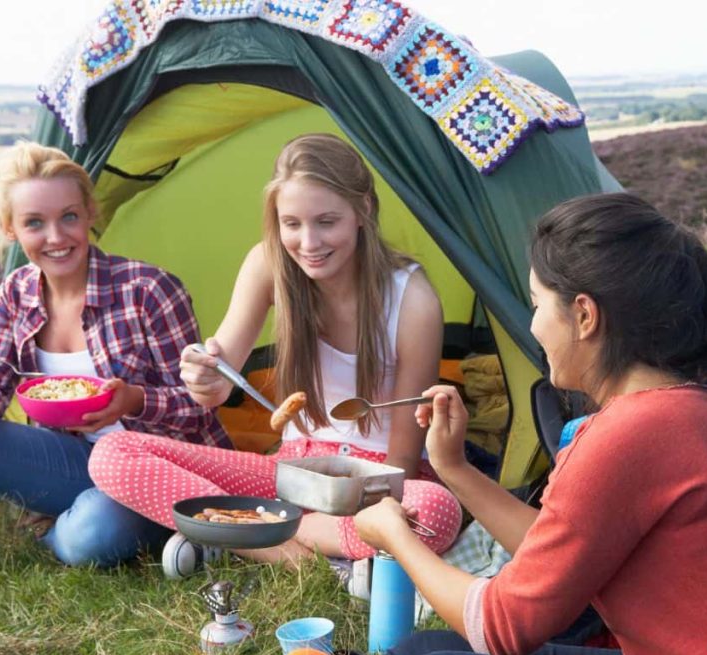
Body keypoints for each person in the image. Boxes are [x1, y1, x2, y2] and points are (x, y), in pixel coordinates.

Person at [0, 193, 707, 655]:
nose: (536, 327)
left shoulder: (641, 430)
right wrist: (450, 471)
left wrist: (396, 536)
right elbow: (555, 550)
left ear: (587, 316)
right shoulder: (674, 412)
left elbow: (508, 627)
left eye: (539, 306)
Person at [86, 134, 461, 567]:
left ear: (364, 210)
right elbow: (216, 387)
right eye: (292, 223)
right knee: (114, 455)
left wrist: (379, 508)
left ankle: (246, 532)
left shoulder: (412, 299)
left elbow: (403, 459)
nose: (308, 243)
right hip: (291, 474)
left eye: (326, 221)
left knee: (435, 510)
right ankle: (289, 553)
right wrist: (203, 374)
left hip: (373, 480)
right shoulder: (268, 264)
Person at [0, 141, 230, 568]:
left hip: (159, 467)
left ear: (90, 214)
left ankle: (66, 528)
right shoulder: (15, 294)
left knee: (91, 536)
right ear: (11, 229)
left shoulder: (148, 289)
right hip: (78, 462)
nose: (56, 238)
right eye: (35, 223)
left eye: (69, 217)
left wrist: (133, 399)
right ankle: (79, 511)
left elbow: (200, 407)